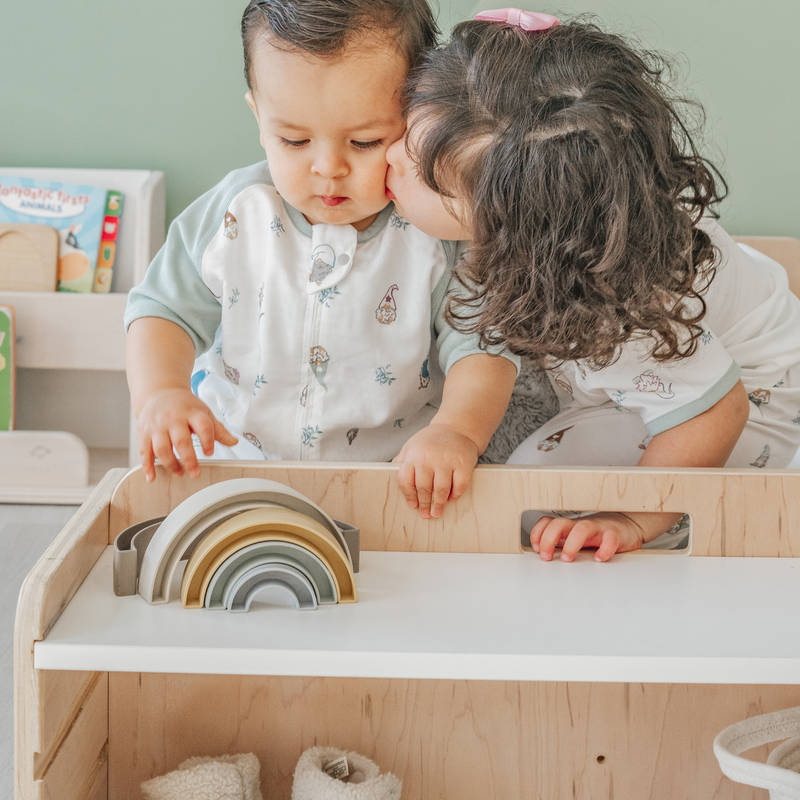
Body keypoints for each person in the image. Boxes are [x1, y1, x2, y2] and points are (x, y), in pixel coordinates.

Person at [385, 9, 800, 557]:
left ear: (516, 229)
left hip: (748, 403)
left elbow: (716, 410)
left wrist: (632, 517)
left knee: (533, 498)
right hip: (701, 356)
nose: (388, 155)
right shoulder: (572, 223)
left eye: (419, 170)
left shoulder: (615, 313)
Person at [125, 0, 519, 520]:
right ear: (258, 116)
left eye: (365, 141)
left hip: (395, 482)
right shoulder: (233, 214)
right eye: (293, 139)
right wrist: (162, 393)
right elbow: (162, 311)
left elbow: (482, 346)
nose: (328, 168)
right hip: (231, 468)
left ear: (420, 118)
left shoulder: (436, 229)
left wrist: (456, 433)